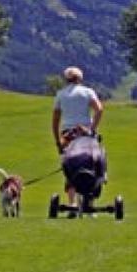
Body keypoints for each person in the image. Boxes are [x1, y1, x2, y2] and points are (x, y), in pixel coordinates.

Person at [52, 66, 104, 209]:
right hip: (86, 133)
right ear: (80, 78)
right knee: (94, 162)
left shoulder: (60, 95)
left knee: (70, 168)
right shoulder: (88, 92)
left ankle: (72, 203)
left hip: (68, 134)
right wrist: (92, 128)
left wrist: (58, 141)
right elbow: (99, 109)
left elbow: (55, 120)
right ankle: (91, 200)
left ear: (66, 79)